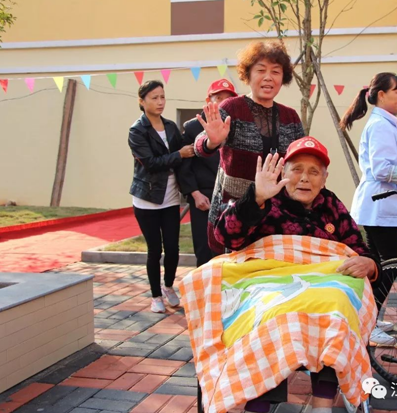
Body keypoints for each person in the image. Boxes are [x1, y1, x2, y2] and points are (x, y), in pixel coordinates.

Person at [212, 136, 383, 413]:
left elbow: (360, 248)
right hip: (268, 285)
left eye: (313, 171)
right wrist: (254, 198)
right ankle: (260, 406)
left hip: (322, 286)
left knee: (336, 306)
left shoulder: (330, 204)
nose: (305, 178)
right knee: (272, 315)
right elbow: (225, 236)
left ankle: (322, 406)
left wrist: (369, 263)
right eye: (297, 169)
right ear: (283, 172)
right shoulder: (265, 197)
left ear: (324, 178)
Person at [193, 41, 305, 253]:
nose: (268, 77)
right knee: (238, 276)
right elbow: (200, 146)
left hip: (278, 212)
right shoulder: (232, 107)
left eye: (276, 72)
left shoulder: (291, 116)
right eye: (261, 70)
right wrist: (212, 141)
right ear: (248, 75)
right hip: (237, 212)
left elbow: (300, 159)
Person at [340, 72, 397, 263]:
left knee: (379, 265)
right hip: (379, 204)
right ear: (381, 95)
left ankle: (372, 294)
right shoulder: (381, 126)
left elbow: (394, 164)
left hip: (378, 204)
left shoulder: (384, 124)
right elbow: (381, 169)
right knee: (392, 263)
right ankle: (375, 295)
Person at [128, 80, 195, 313]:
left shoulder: (170, 127)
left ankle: (168, 286)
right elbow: (151, 163)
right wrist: (179, 154)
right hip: (147, 198)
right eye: (154, 97)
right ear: (142, 101)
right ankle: (155, 295)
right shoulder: (137, 131)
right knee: (154, 249)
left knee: (173, 248)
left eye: (162, 97)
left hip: (170, 197)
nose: (160, 102)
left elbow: (186, 153)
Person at [179, 79, 238, 266]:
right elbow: (184, 166)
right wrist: (195, 194)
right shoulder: (192, 128)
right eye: (218, 98)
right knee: (204, 250)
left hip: (232, 198)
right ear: (208, 100)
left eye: (227, 99)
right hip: (203, 198)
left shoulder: (240, 126)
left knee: (232, 252)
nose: (222, 103)